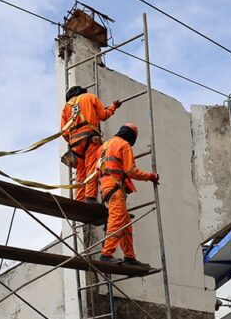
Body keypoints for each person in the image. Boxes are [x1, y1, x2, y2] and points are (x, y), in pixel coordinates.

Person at [97, 124, 159, 267]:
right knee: (117, 221)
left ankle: (129, 257)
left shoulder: (103, 147)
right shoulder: (123, 145)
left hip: (107, 188)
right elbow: (131, 171)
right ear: (131, 136)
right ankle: (106, 254)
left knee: (125, 225)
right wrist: (150, 176)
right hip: (115, 188)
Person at [61, 85, 120, 203]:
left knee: (80, 173)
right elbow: (103, 115)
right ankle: (90, 197)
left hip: (75, 144)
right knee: (92, 168)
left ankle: (79, 200)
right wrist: (113, 107)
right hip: (90, 138)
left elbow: (64, 131)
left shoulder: (67, 107)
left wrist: (73, 140)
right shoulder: (89, 97)